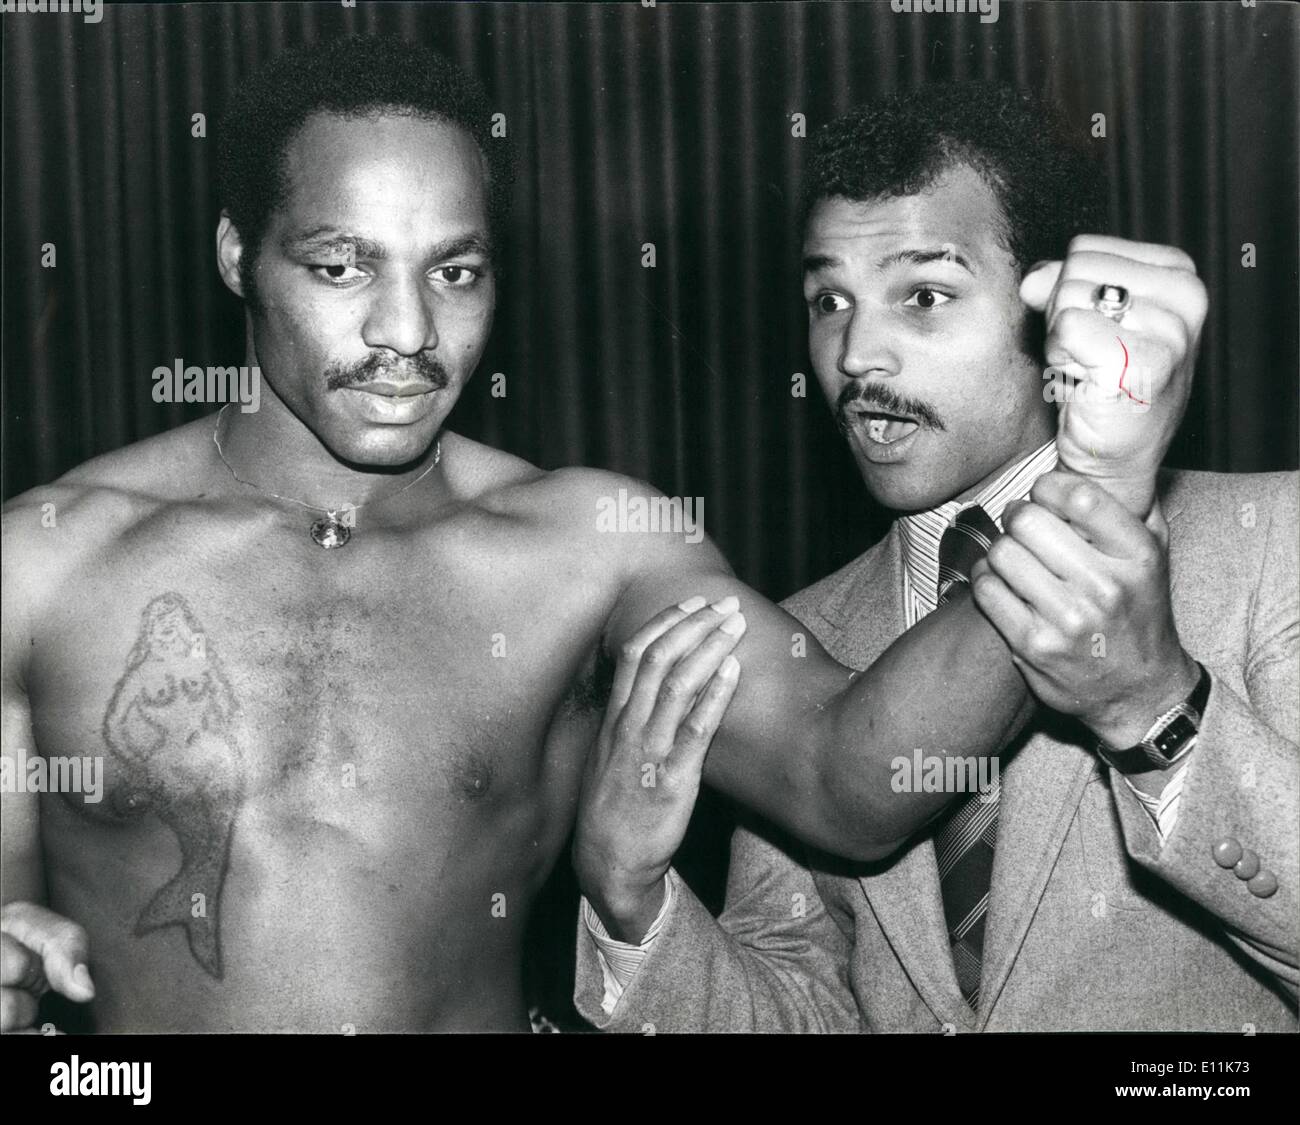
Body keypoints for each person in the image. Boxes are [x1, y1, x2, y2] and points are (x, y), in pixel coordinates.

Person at [3, 37, 1067, 1034]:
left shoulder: (594, 549)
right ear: (240, 255)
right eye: (342, 268)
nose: (408, 333)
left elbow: (854, 782)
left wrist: (1094, 477)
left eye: (453, 272)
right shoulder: (42, 566)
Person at [572, 82, 1297, 1032]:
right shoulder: (805, 640)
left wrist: (1159, 710)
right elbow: (808, 1006)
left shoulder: (1271, 541)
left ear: (1051, 313)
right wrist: (633, 908)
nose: (857, 351)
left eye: (923, 294)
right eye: (830, 298)